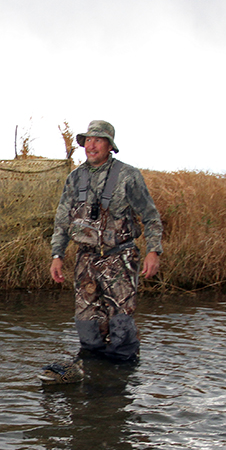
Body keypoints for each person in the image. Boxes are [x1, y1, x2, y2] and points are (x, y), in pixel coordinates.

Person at [49, 120, 162, 365]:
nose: (91, 145)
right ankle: (93, 378)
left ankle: (120, 383)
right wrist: (57, 255)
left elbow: (151, 215)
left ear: (109, 145)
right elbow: (62, 220)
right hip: (86, 259)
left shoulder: (128, 175)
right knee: (86, 325)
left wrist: (154, 251)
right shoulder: (74, 178)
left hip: (120, 258)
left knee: (120, 326)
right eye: (88, 140)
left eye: (98, 140)